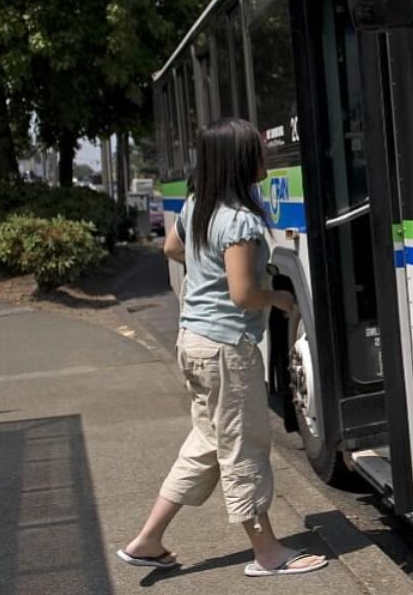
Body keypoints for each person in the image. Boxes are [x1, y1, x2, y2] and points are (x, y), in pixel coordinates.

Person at [118, 118, 328, 578]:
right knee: (244, 447)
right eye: (258, 149)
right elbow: (242, 295)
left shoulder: (198, 206)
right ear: (239, 160)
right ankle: (268, 554)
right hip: (225, 349)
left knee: (208, 443)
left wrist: (204, 271)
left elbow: (172, 249)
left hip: (193, 341)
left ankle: (148, 540)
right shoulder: (241, 220)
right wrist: (277, 297)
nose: (265, 156)